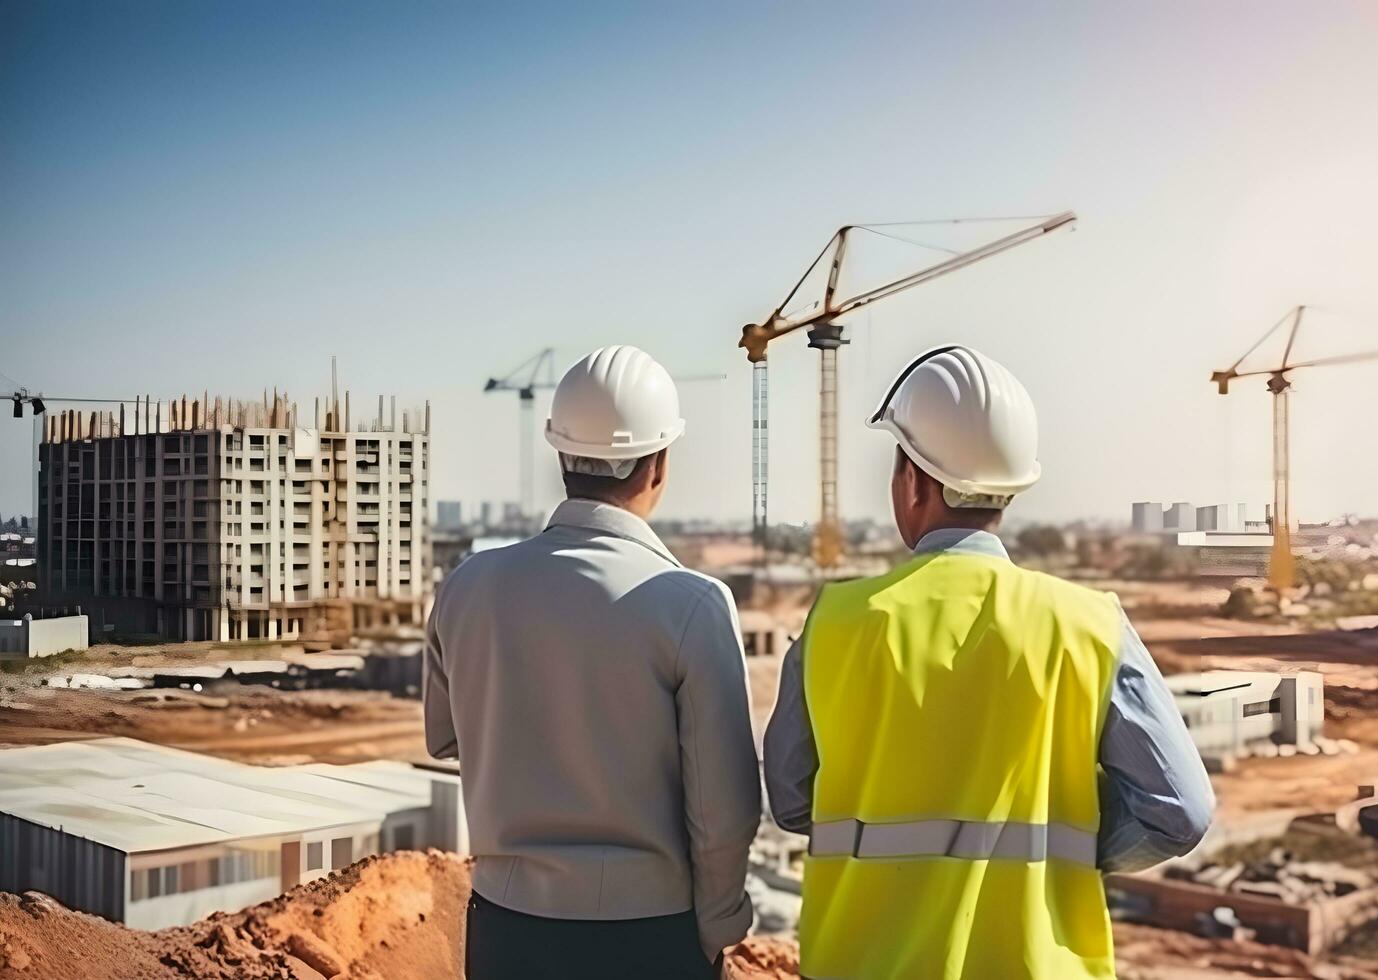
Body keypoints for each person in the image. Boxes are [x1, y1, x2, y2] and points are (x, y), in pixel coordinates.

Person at [763, 345, 1215, 979]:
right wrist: (1068, 840)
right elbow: (1179, 812)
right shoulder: (1089, 625)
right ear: (1010, 489)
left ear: (914, 480)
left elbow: (791, 801)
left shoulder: (837, 621)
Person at [425, 345, 761, 979]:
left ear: (560, 456)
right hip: (649, 938)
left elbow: (445, 737)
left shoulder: (466, 586)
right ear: (659, 464)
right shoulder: (691, 604)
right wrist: (715, 929)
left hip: (505, 930)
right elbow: (724, 808)